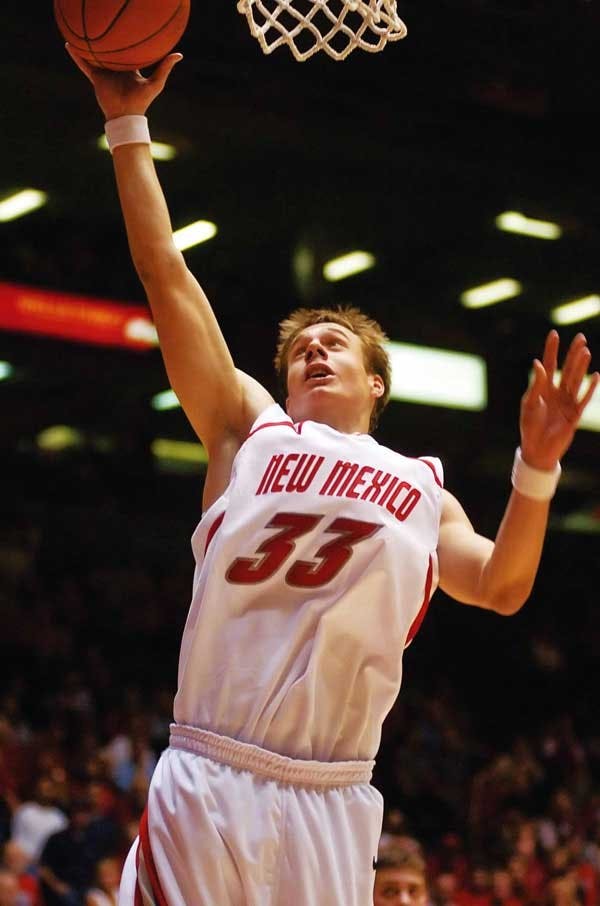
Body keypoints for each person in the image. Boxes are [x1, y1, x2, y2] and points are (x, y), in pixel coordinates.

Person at [66, 45, 598, 906]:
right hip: (211, 771)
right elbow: (165, 272)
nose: (313, 349)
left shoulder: (424, 489)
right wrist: (127, 124)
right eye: (299, 349)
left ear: (375, 382)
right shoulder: (249, 429)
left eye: (334, 343)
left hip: (334, 795)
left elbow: (502, 585)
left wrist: (536, 467)